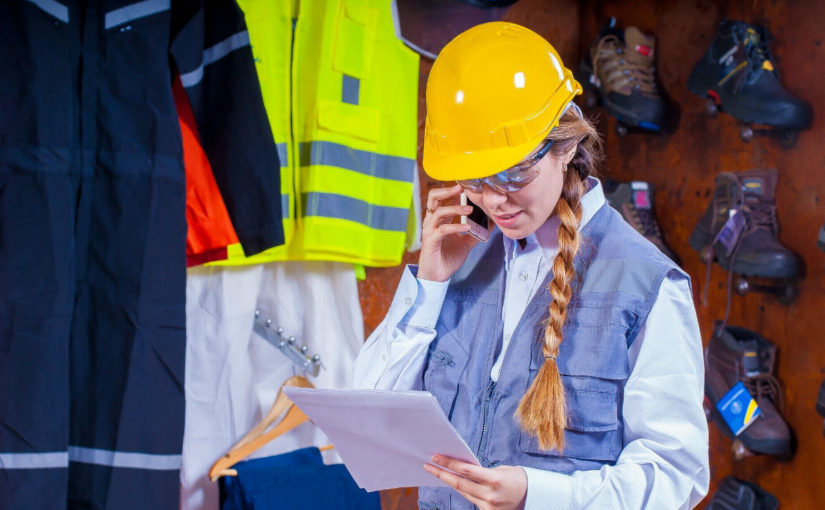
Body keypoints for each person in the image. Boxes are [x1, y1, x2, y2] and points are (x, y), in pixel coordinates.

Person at [353, 22, 709, 510]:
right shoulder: (460, 258)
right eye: (475, 180)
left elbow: (675, 478)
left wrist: (536, 495)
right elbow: (370, 425)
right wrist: (431, 281)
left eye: (514, 172)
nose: (495, 200)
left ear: (565, 146)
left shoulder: (645, 283)